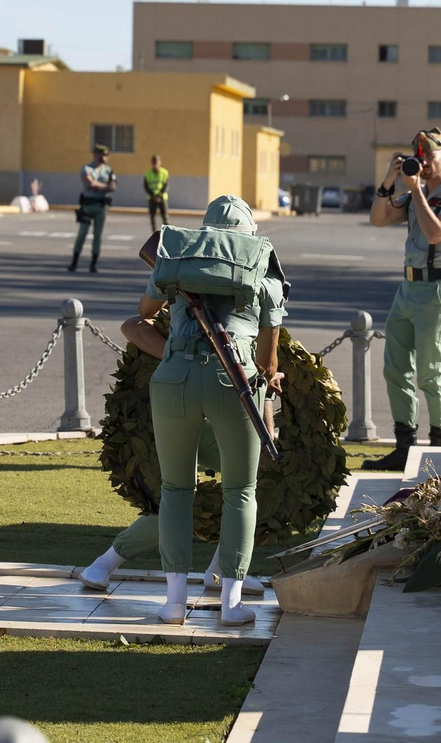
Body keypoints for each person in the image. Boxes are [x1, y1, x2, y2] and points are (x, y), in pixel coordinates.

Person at [99, 195, 285, 626]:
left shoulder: (179, 259)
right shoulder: (260, 262)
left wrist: (175, 346)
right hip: (231, 383)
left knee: (176, 490)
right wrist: (270, 379)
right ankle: (231, 602)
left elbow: (141, 317)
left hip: (174, 379)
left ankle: (173, 603)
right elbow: (268, 359)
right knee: (239, 490)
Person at [77, 309, 266, 601]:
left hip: (223, 418)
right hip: (173, 414)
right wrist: (177, 352)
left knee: (244, 489)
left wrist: (267, 434)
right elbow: (134, 324)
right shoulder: (186, 308)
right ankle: (105, 562)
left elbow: (262, 373)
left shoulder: (246, 311)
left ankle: (221, 572)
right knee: (177, 496)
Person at [363, 127, 441, 470]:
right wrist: (388, 180)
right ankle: (404, 447)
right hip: (407, 289)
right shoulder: (415, 193)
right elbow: (378, 218)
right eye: (418, 160)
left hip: (438, 290)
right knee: (395, 370)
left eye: (428, 159)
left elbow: (435, 233)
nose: (423, 165)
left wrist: (416, 192)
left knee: (429, 373)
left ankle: (439, 449)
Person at [69, 144, 116, 273]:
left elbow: (113, 187)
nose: (104, 158)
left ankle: (94, 263)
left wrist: (98, 187)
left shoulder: (108, 170)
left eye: (106, 155)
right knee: (82, 234)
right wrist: (103, 186)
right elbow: (90, 182)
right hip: (87, 206)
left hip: (101, 207)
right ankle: (74, 262)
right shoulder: (87, 168)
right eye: (102, 155)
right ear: (95, 155)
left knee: (98, 235)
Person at [143, 154, 170, 232]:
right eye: (154, 162)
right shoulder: (148, 174)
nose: (155, 163)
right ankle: (154, 234)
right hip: (152, 198)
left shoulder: (165, 172)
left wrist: (159, 195)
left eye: (157, 161)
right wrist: (153, 196)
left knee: (165, 217)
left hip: (162, 198)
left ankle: (167, 234)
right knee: (153, 217)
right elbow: (146, 186)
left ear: (160, 162)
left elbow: (166, 185)